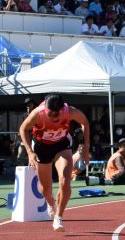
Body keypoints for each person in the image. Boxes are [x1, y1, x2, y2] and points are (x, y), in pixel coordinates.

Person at [18, 94, 91, 232]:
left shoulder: (70, 111)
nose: (54, 118)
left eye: (57, 115)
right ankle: (51, 203)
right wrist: (29, 152)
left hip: (62, 145)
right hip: (42, 147)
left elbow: (85, 122)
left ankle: (58, 217)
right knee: (45, 189)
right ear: (46, 109)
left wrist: (86, 148)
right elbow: (23, 129)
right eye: (51, 115)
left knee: (65, 180)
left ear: (62, 110)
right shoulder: (37, 114)